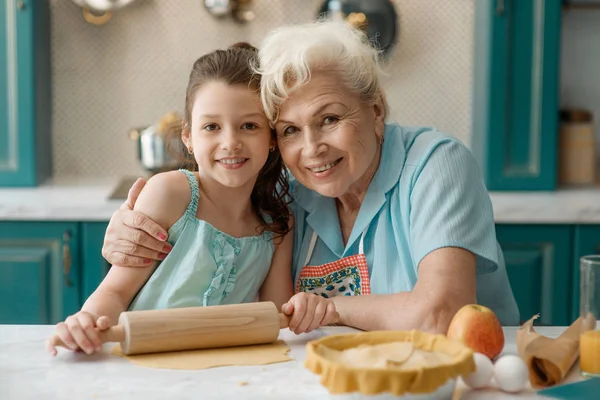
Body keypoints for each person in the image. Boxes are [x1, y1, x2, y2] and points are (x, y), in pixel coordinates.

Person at [100, 21, 520, 335]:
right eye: (289, 130)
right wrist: (131, 229)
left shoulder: (437, 164)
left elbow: (441, 314)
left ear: (376, 111)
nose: (312, 147)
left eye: (330, 119)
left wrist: (333, 308)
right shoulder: (293, 196)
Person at [46, 43, 337, 356]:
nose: (231, 143)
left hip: (228, 374)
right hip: (141, 368)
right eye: (212, 126)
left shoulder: (278, 222)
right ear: (188, 136)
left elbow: (278, 314)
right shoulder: (171, 194)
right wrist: (87, 322)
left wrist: (304, 307)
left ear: (271, 137)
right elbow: (116, 291)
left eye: (249, 126)